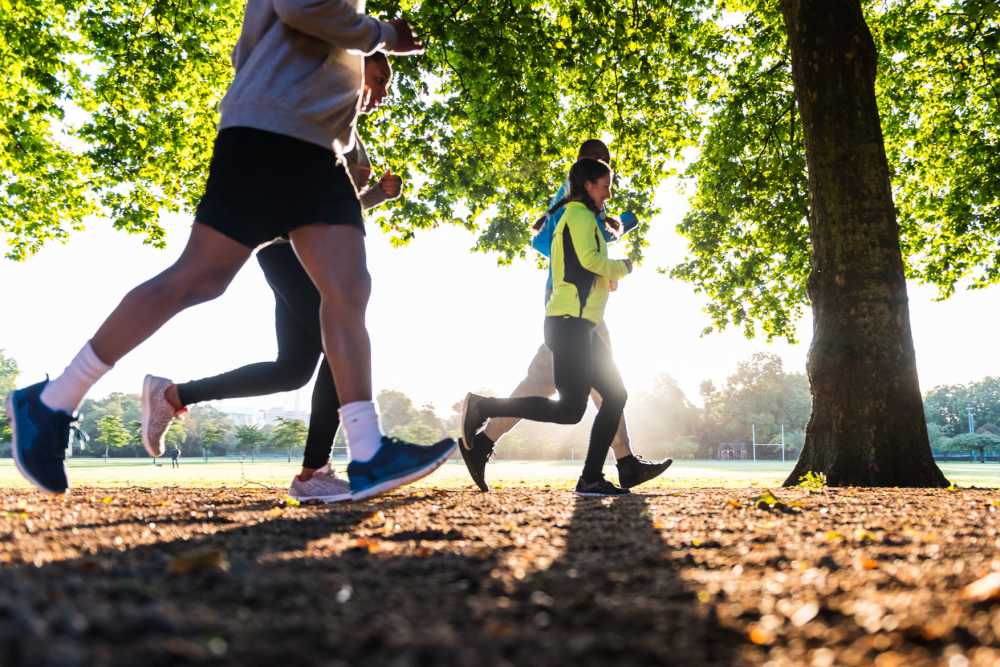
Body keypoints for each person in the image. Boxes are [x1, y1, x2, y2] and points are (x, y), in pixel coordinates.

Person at [6, 0, 455, 498]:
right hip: (271, 133)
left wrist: (363, 58)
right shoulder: (357, 30)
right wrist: (380, 36)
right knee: (199, 278)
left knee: (348, 289)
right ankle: (52, 401)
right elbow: (300, 7)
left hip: (319, 145)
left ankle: (368, 452)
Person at [141, 54, 403, 503]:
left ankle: (173, 394)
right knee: (337, 340)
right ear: (353, 70)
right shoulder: (320, 112)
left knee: (294, 369)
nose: (381, 95)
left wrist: (376, 193)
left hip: (299, 250)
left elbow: (336, 212)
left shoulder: (351, 138)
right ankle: (313, 471)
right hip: (284, 246)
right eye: (378, 80)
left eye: (385, 88)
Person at [459, 140, 672, 492]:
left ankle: (486, 440)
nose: (609, 187)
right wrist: (609, 263)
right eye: (602, 174)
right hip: (569, 307)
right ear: (586, 174)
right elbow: (551, 245)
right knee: (587, 395)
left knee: (578, 386)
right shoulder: (573, 204)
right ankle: (620, 463)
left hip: (580, 310)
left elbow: (588, 249)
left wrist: (611, 239)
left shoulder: (588, 209)